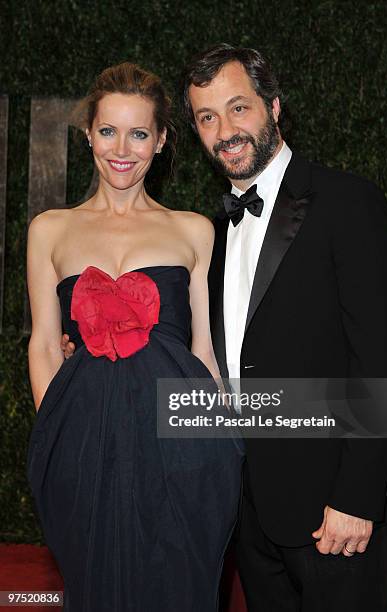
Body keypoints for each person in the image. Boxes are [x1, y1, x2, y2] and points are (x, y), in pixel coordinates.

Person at [181, 45, 387, 611]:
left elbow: (379, 357)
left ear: (274, 107)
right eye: (207, 117)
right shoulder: (212, 232)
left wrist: (357, 497)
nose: (225, 130)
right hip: (253, 510)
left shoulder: (348, 202)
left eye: (239, 108)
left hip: (339, 510)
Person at [26, 61, 243, 612]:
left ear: (162, 140)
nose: (122, 148)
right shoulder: (49, 230)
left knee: (179, 586)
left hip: (180, 445)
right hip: (84, 445)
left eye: (139, 132)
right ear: (89, 135)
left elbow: (202, 352)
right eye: (107, 130)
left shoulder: (193, 229)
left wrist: (224, 446)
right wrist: (59, 443)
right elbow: (46, 345)